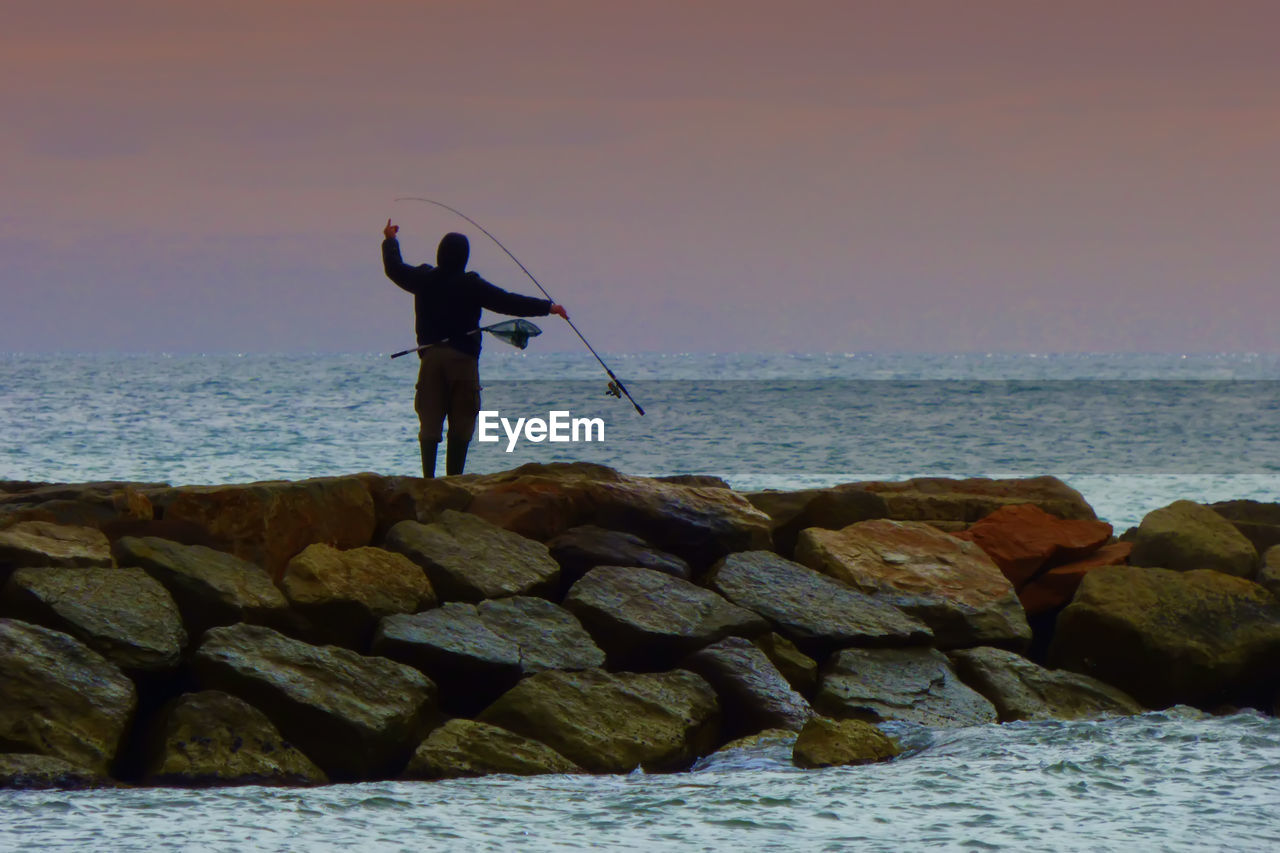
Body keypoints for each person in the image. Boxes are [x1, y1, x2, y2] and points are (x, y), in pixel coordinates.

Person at [382, 219, 568, 477]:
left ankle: (427, 480)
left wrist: (391, 240)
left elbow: (395, 268)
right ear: (465, 258)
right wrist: (548, 307)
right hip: (463, 360)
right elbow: (507, 302)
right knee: (462, 420)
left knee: (430, 420)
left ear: (439, 254)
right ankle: (454, 480)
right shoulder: (472, 284)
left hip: (431, 359)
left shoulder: (424, 278)